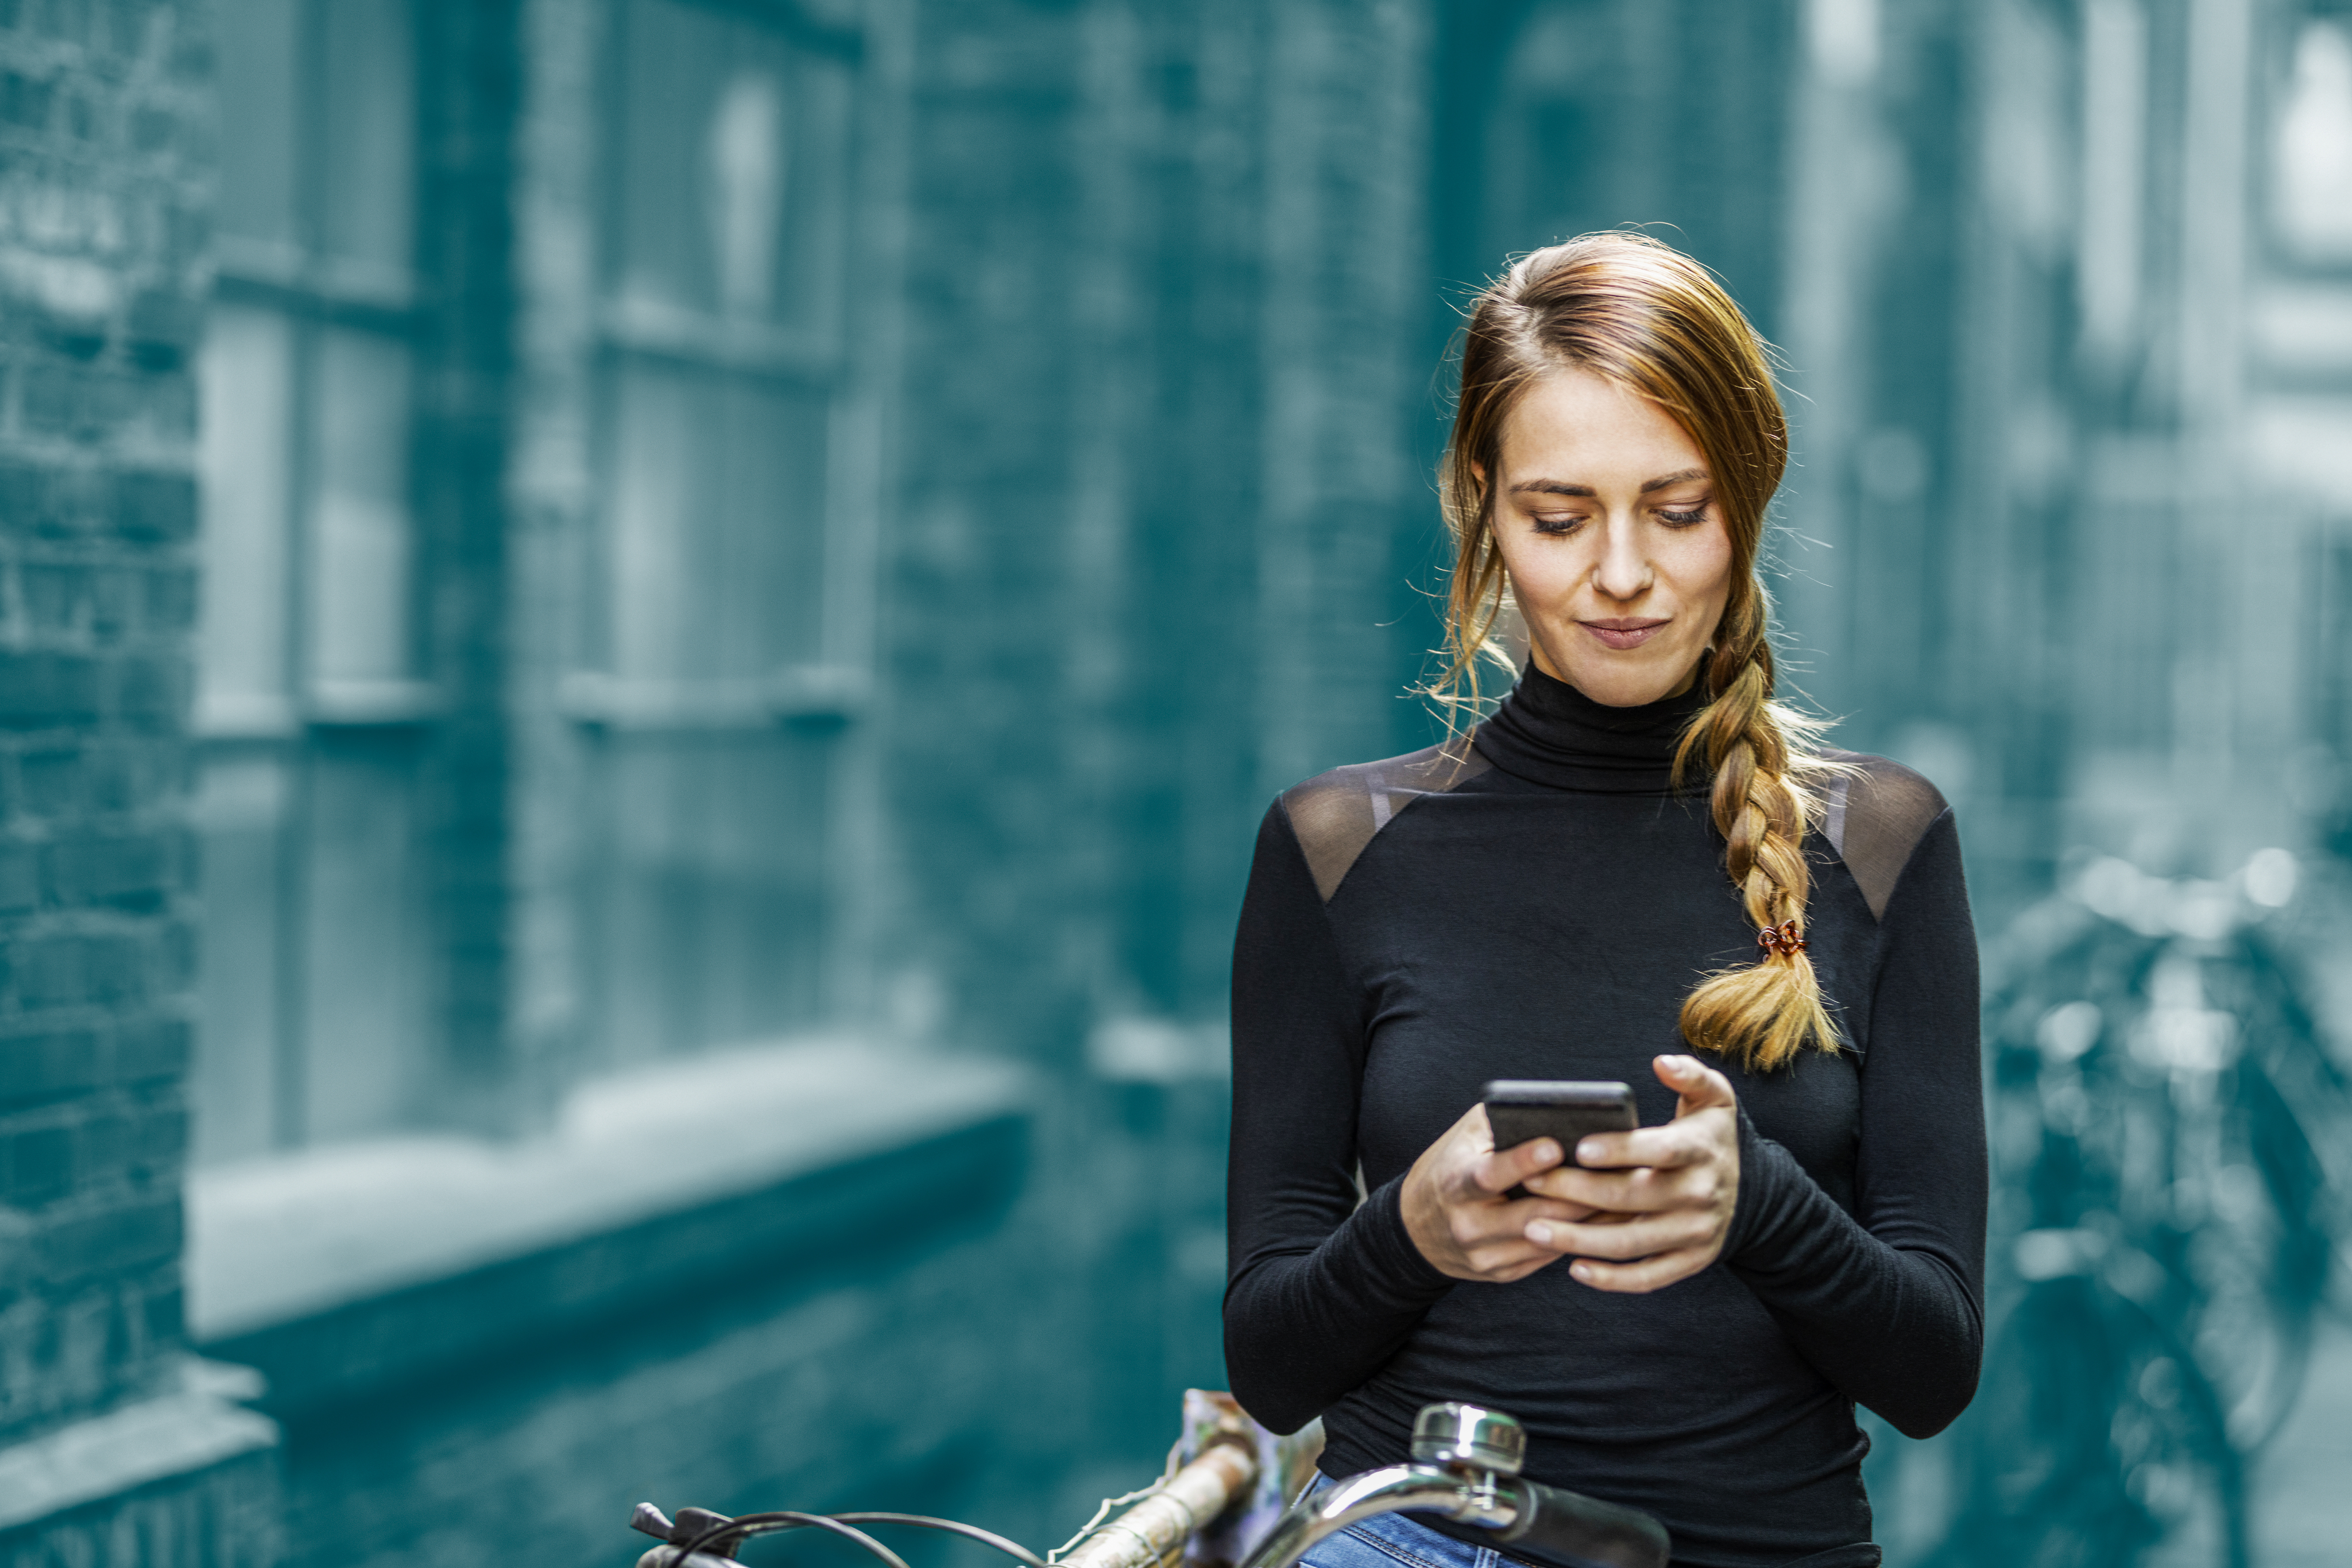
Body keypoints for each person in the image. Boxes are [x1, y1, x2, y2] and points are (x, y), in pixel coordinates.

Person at [1223, 234, 1984, 1568]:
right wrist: (1410, 1229)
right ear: (1480, 505)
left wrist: (1757, 1203)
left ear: (1746, 498)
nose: (1620, 573)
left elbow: (1931, 1372)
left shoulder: (1879, 842)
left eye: (1675, 511)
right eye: (1558, 516)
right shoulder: (1336, 847)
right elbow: (1271, 1364)